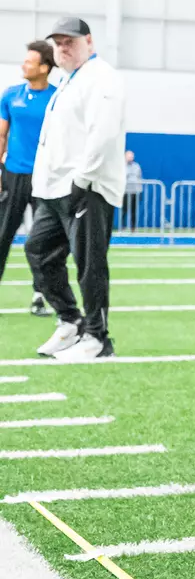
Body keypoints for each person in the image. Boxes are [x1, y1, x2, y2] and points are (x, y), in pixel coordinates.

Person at [26, 18, 125, 360]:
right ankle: (70, 321)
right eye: (58, 43)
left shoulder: (101, 78)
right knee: (38, 251)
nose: (63, 47)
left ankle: (98, 339)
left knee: (89, 264)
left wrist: (82, 180)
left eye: (70, 41)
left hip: (87, 188)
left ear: (88, 41)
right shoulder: (68, 81)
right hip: (54, 191)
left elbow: (103, 132)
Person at [0, 40, 57, 316]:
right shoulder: (11, 95)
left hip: (45, 179)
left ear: (44, 68)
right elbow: (1, 135)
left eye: (30, 61)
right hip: (13, 176)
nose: (24, 65)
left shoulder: (58, 98)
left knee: (42, 242)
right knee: (1, 236)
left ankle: (40, 296)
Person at [122, 150, 142, 230]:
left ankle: (133, 227)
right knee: (124, 210)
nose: (131, 158)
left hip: (135, 191)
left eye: (132, 156)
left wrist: (140, 190)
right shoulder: (122, 166)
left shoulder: (136, 166)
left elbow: (139, 177)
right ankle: (122, 226)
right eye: (129, 156)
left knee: (133, 210)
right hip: (125, 191)